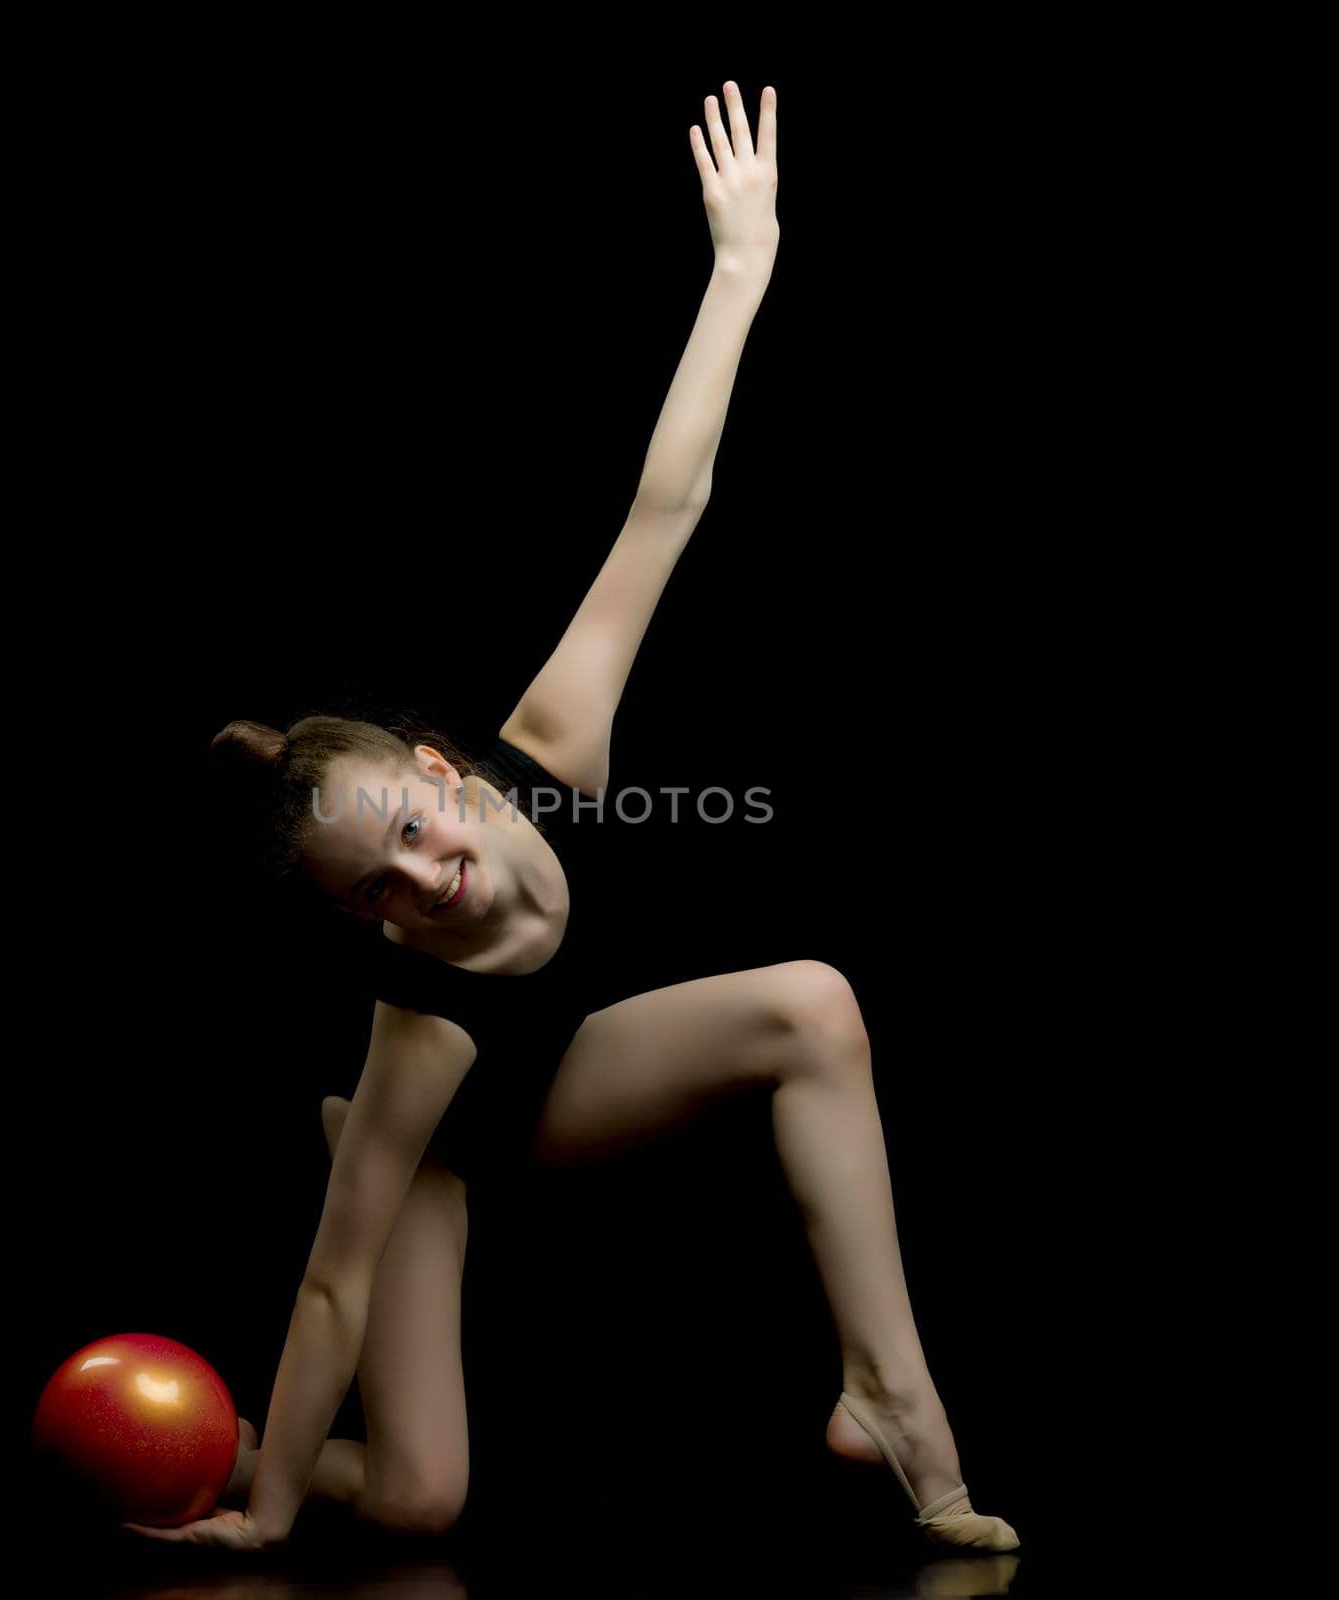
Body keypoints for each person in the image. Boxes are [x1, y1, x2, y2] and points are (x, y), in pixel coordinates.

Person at [123, 81, 1019, 1556]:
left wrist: (740, 269)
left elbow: (667, 503)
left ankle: (896, 1405)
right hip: (437, 1134)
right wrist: (268, 1519)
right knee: (418, 1500)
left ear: (441, 765)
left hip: (557, 1077)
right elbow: (334, 1277)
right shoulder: (416, 1022)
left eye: (415, 826)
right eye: (382, 891)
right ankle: (226, 1446)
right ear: (367, 922)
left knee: (813, 1005)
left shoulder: (548, 750)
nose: (428, 876)